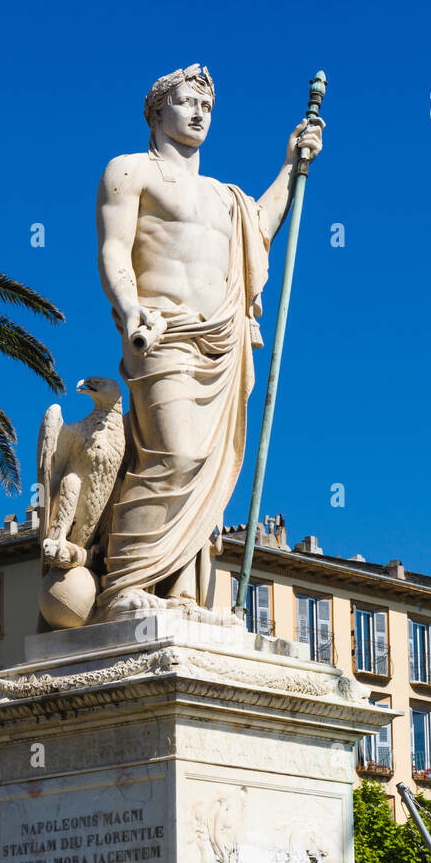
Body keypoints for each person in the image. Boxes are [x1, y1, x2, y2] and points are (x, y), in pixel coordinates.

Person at [95, 64, 323, 614]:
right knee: (175, 455)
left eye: (207, 106)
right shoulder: (129, 172)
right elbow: (113, 250)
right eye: (186, 101)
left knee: (210, 471)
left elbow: (259, 233)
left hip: (220, 342)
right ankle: (124, 585)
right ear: (156, 111)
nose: (199, 113)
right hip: (162, 333)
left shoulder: (226, 197)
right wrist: (130, 312)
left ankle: (182, 592)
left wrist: (292, 164)